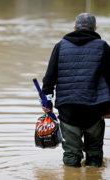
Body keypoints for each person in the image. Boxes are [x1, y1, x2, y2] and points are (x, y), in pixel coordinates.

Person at [42, 12, 110, 167]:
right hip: (95, 109)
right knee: (94, 153)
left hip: (68, 109)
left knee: (71, 154)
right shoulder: (103, 47)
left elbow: (49, 79)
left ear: (74, 27)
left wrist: (47, 103)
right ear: (94, 28)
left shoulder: (60, 46)